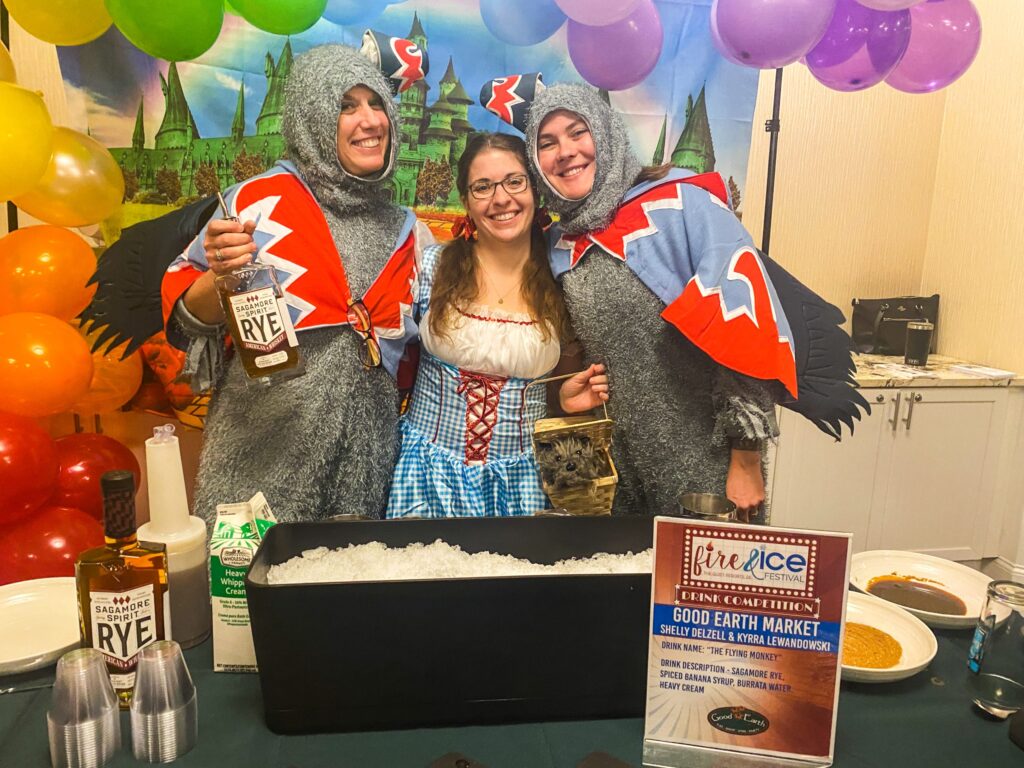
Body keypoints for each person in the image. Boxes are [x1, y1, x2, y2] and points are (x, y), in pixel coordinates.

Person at [520, 84, 866, 521]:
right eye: (546, 143)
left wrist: (746, 456)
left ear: (605, 133)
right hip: (621, 465)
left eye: (577, 132)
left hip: (707, 463)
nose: (565, 151)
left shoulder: (682, 205)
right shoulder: (560, 243)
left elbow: (745, 328)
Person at [161, 44, 433, 524]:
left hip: (365, 473)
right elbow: (186, 323)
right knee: (246, 593)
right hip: (259, 460)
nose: (370, 121)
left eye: (377, 105)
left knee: (348, 590)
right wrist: (218, 279)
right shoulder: (255, 203)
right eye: (347, 106)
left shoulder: (409, 231)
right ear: (313, 117)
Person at [386, 133, 608, 518]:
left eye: (514, 181)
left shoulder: (564, 281)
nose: (501, 198)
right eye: (483, 187)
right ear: (467, 201)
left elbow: (566, 404)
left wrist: (567, 405)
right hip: (425, 477)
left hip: (522, 485)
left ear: (535, 191)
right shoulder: (431, 267)